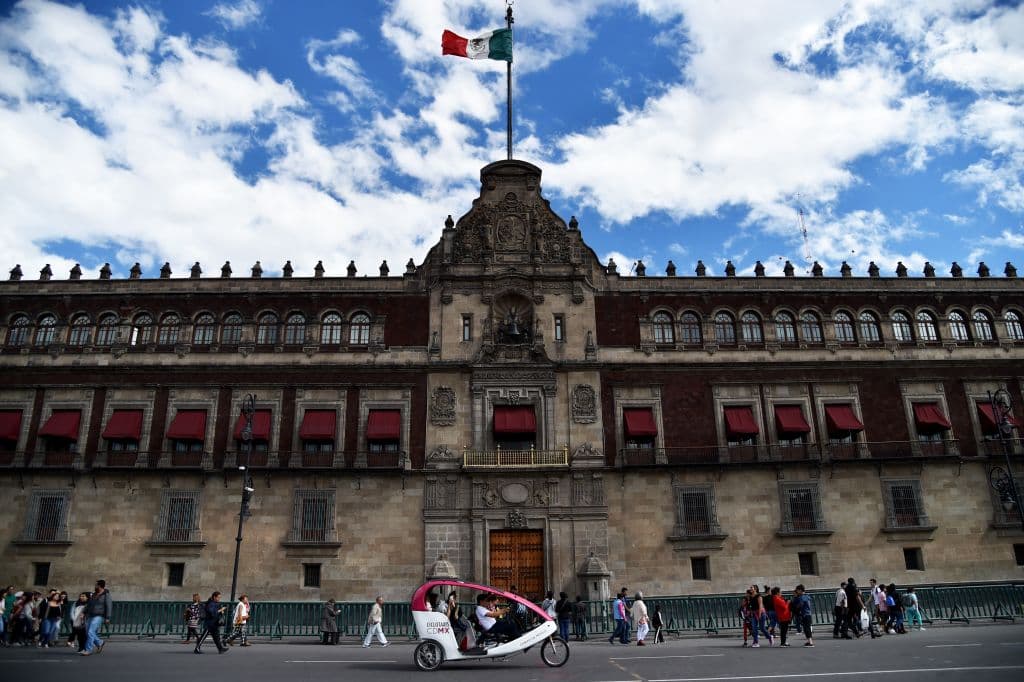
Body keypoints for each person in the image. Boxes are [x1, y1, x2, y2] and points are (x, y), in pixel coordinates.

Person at [80, 579, 112, 656]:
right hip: (90, 615)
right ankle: (100, 642)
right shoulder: (94, 594)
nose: (95, 586)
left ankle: (88, 650)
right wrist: (83, 612)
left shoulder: (106, 594)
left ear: (100, 586)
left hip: (99, 616)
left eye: (96, 585)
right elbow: (89, 604)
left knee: (90, 632)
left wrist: (108, 617)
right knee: (88, 632)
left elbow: (109, 606)